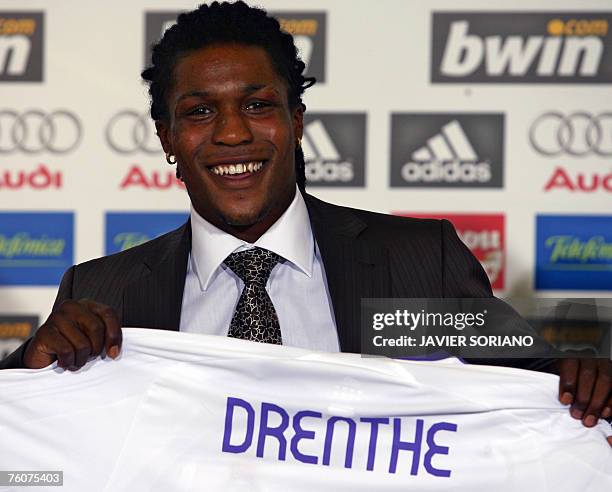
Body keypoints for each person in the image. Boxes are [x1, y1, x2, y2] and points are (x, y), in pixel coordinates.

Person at [0, 1, 610, 435]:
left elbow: (531, 390)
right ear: (167, 137)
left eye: (258, 105)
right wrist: (27, 372)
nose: (233, 132)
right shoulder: (104, 290)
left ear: (296, 121)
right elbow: (34, 450)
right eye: (200, 111)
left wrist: (578, 379)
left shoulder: (419, 262)